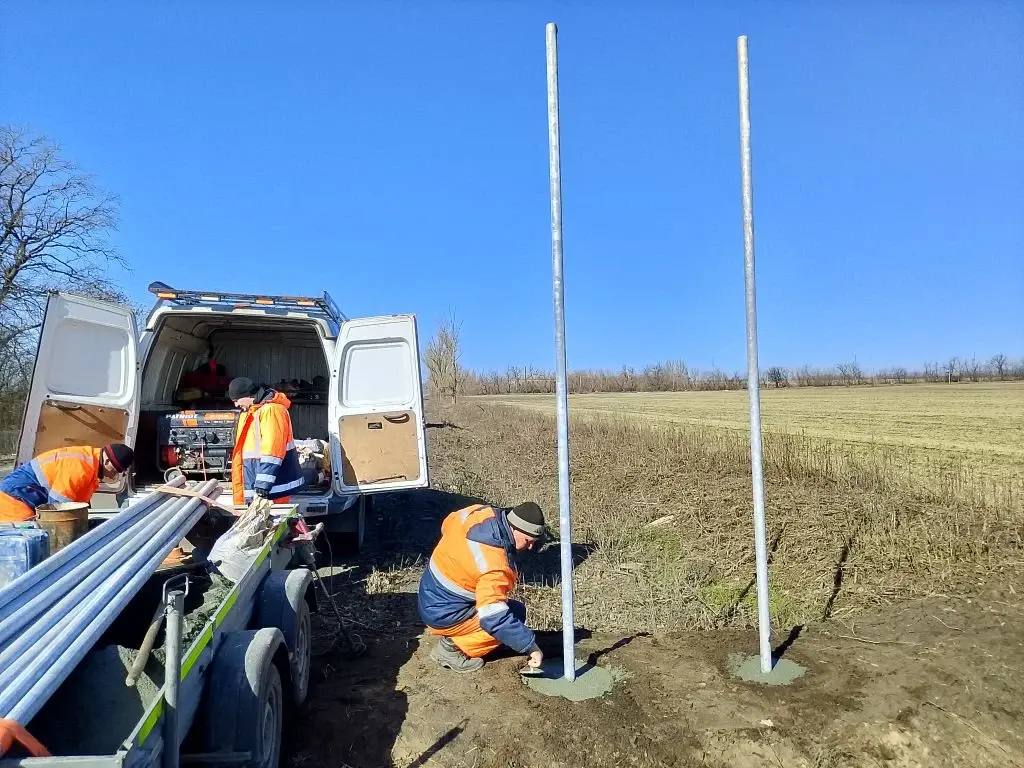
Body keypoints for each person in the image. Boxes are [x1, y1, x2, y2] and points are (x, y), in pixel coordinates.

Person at [418, 501, 546, 673]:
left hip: (430, 592)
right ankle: (450, 649)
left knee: (512, 610)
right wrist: (531, 647)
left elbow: (447, 523)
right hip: (442, 612)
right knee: (514, 614)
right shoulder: (495, 565)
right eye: (528, 541)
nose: (530, 547)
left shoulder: (479, 512)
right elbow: (493, 618)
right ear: (515, 529)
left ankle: (463, 635)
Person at [0, 443, 135, 522]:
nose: (115, 475)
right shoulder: (80, 470)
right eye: (117, 470)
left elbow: (78, 505)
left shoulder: (91, 464)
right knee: (29, 541)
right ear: (107, 462)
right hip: (13, 500)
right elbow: (57, 512)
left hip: (26, 497)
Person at [228, 377, 304, 505]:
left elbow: (273, 451)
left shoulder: (271, 411)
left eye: (236, 400)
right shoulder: (251, 412)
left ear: (248, 396)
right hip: (259, 485)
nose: (236, 405)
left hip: (272, 489)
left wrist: (264, 483)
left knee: (275, 517)